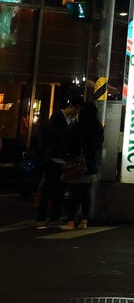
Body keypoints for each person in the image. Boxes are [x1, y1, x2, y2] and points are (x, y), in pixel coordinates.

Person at [35, 94, 81, 229]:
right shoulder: (56, 118)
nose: (76, 113)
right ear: (71, 107)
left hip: (64, 161)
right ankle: (41, 219)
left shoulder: (72, 121)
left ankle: (55, 217)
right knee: (48, 189)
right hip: (53, 159)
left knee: (59, 191)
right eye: (76, 110)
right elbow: (52, 136)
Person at [60, 100, 103, 230]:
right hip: (91, 165)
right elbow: (98, 145)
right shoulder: (98, 127)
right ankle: (84, 220)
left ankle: (71, 221)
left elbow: (68, 142)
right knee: (86, 193)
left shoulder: (78, 126)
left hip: (77, 164)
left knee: (74, 193)